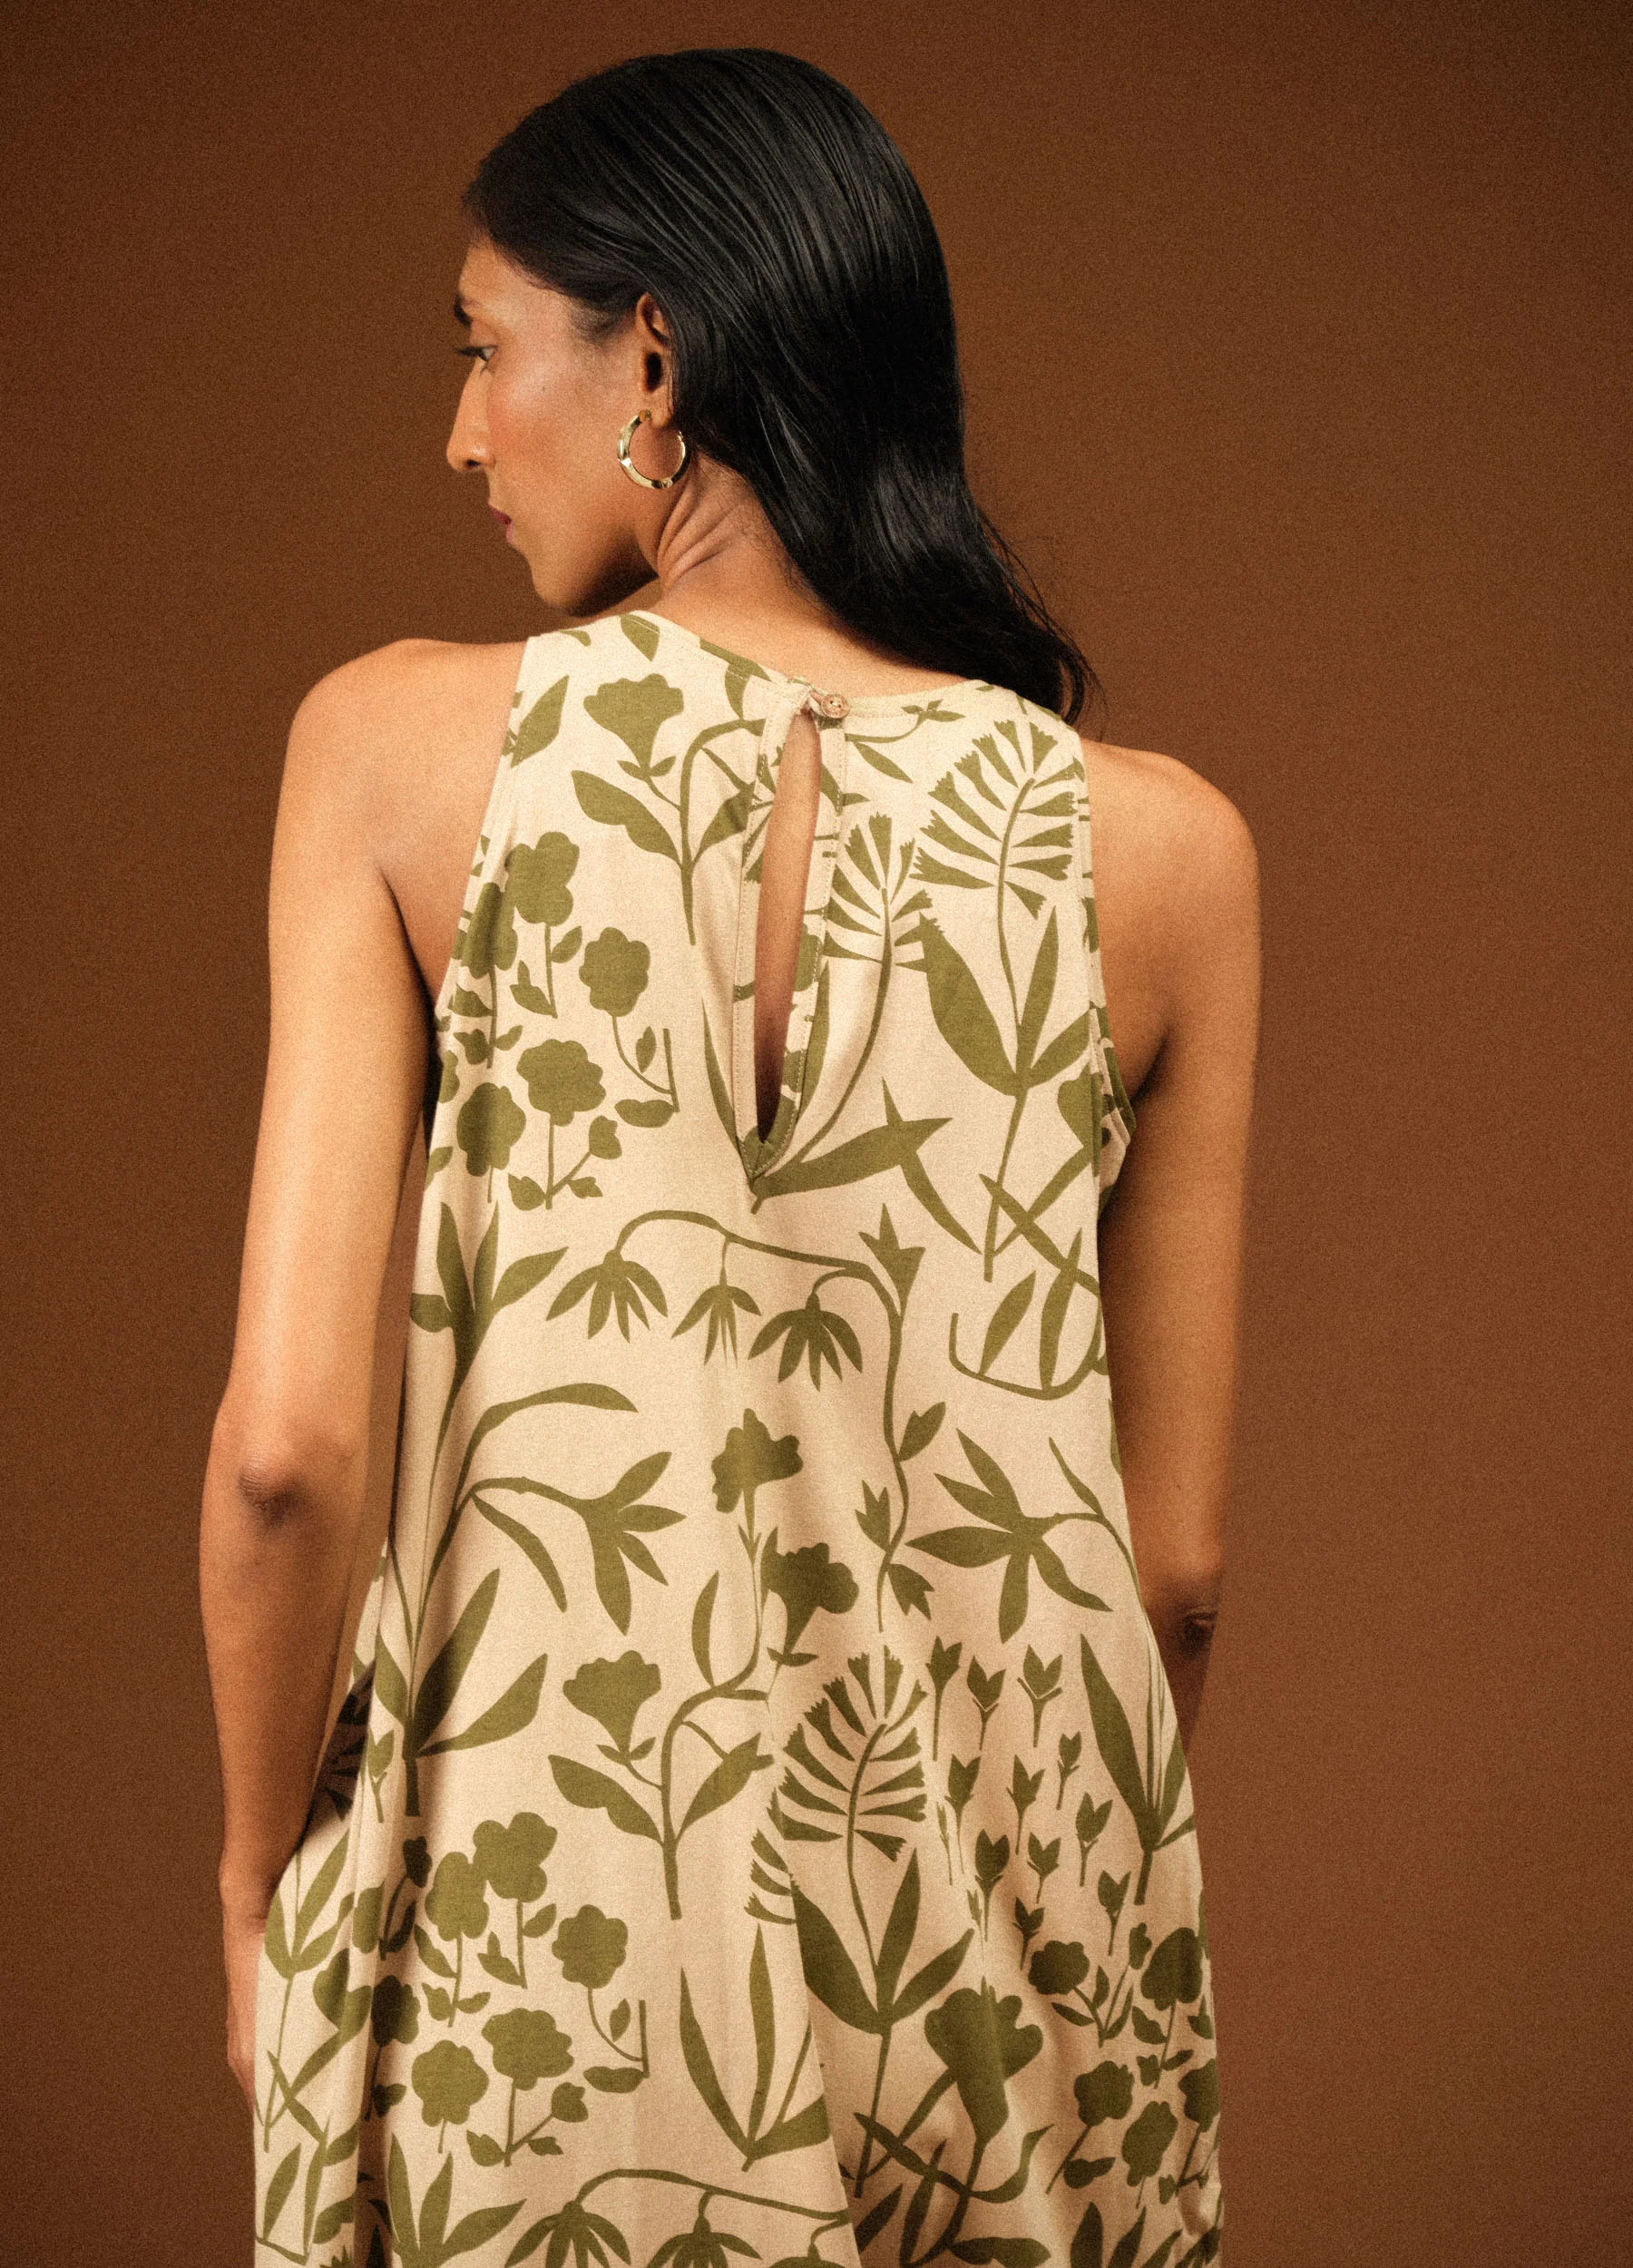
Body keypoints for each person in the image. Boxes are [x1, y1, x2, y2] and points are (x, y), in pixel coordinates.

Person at [200, 46, 1256, 2268]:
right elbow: (1167, 1573)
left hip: (542, 1952)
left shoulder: (390, 751)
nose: (463, 433)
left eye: (487, 348)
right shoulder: (1168, 855)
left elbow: (290, 1452)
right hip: (1001, 1947)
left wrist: (247, 1868)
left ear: (654, 360)